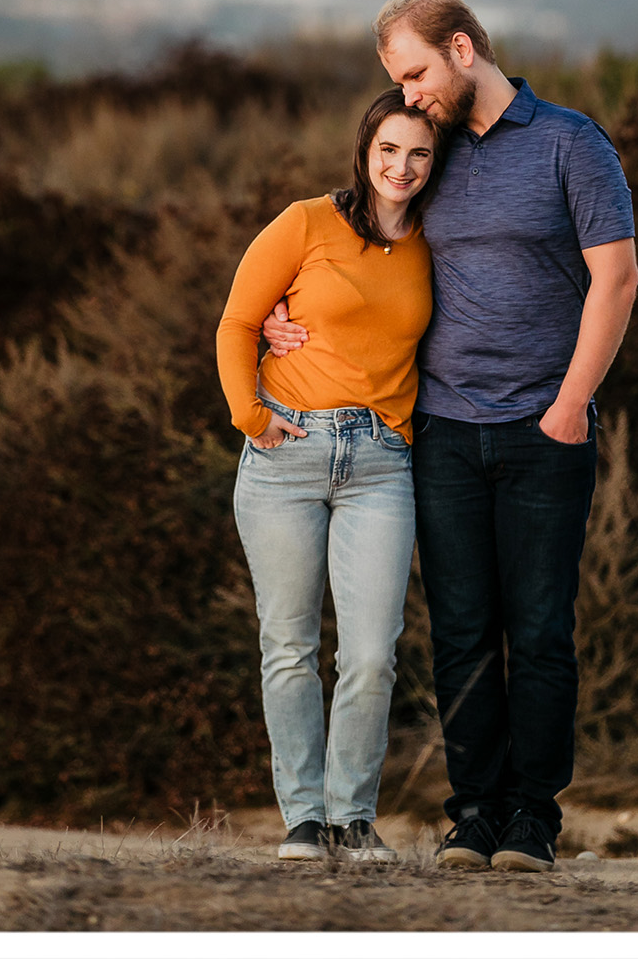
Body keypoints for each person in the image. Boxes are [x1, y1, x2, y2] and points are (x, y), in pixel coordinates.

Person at [264, 0, 638, 874]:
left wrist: (572, 401)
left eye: (417, 72)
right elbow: (354, 228)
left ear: (463, 48)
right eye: (399, 80)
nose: (410, 93)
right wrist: (281, 313)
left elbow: (617, 280)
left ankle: (532, 822)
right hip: (438, 429)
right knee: (463, 628)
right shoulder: (425, 151)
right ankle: (472, 818)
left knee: (542, 627)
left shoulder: (570, 144)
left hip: (547, 426)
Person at [217, 87, 442, 864]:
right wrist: (250, 416)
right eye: (389, 150)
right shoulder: (306, 222)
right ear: (365, 149)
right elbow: (239, 323)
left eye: (419, 152)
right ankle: (304, 819)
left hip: (382, 462)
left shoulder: (437, 242)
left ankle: (354, 814)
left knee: (373, 650)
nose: (402, 167)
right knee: (287, 644)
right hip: (287, 455)